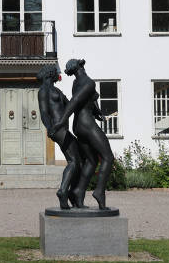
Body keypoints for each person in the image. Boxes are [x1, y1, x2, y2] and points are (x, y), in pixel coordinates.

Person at [57, 58, 116, 210]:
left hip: (79, 125)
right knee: (108, 157)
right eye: (81, 63)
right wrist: (62, 121)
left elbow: (90, 99)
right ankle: (99, 192)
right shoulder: (89, 82)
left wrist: (98, 114)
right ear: (79, 66)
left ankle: (78, 191)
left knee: (91, 160)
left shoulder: (77, 83)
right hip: (86, 124)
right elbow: (75, 102)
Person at [36, 64, 87, 209]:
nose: (58, 75)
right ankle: (63, 191)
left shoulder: (56, 90)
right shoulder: (43, 91)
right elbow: (44, 113)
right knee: (73, 161)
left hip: (63, 128)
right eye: (56, 72)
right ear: (49, 74)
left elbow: (71, 104)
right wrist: (49, 127)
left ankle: (72, 192)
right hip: (57, 130)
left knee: (80, 160)